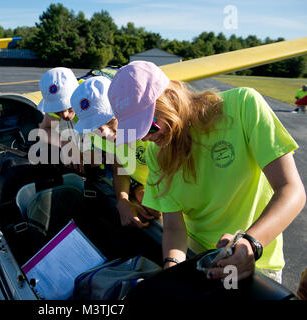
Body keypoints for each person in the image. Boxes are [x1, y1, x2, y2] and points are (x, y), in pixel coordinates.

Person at [108, 60, 306, 283]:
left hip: (255, 264)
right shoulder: (157, 153)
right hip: (197, 261)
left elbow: (291, 190)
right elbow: (174, 227)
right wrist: (172, 271)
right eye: (139, 133)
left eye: (150, 126)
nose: (147, 138)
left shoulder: (243, 106)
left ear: (171, 96)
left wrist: (250, 243)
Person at [70, 76, 160, 228]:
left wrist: (155, 196)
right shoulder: (85, 106)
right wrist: (123, 200)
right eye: (96, 126)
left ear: (122, 108)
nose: (105, 133)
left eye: (109, 120)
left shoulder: (153, 131)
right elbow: (120, 166)